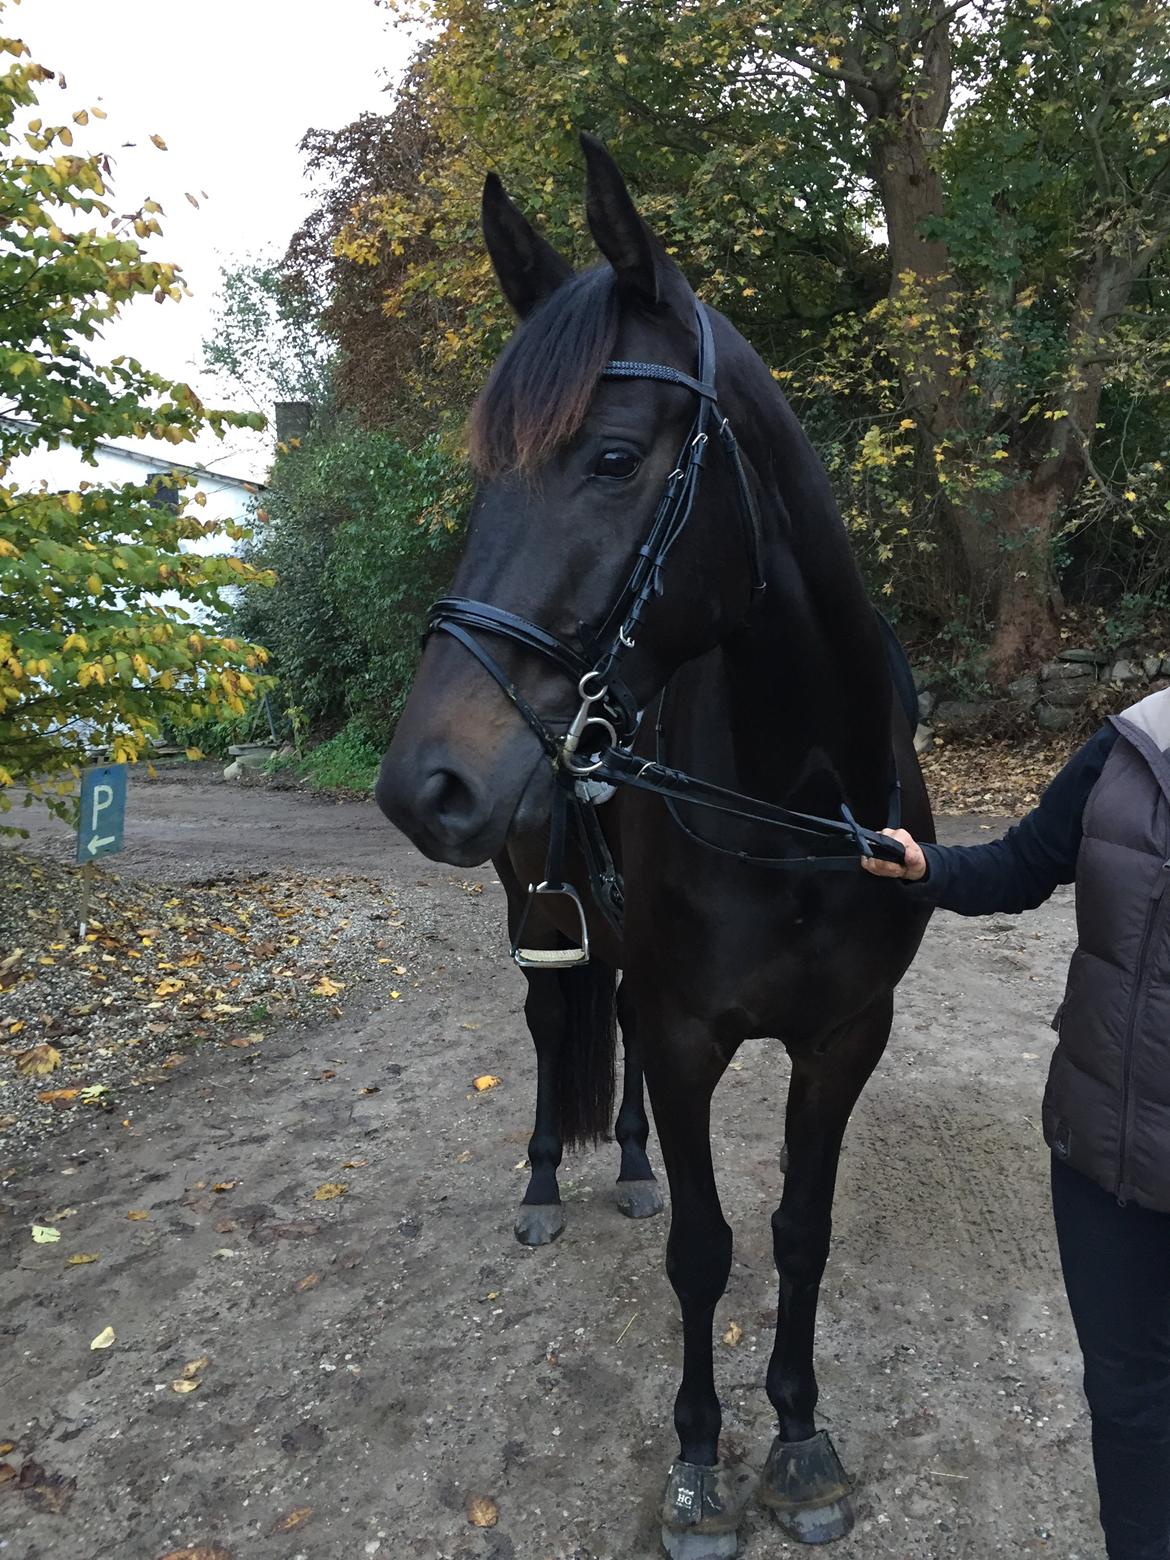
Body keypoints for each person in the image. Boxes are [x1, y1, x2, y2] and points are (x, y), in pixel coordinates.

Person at [862, 686, 1170, 1560]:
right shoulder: (1131, 751)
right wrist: (928, 869)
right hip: (1105, 1157)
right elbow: (1022, 864)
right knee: (1129, 1404)